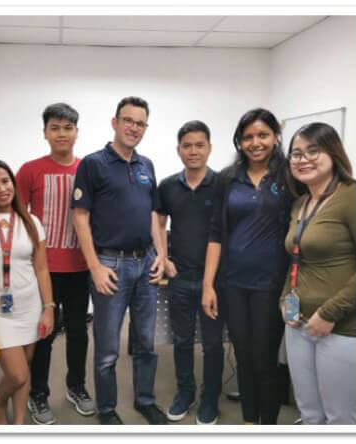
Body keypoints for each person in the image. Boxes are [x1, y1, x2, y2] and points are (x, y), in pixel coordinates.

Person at [72, 96, 166, 425]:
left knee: (145, 343)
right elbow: (80, 217)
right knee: (108, 348)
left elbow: (153, 215)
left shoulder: (146, 165)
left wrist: (161, 255)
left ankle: (145, 400)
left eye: (140, 123)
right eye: (128, 121)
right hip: (110, 265)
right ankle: (107, 408)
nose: (134, 128)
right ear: (115, 123)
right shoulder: (93, 164)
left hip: (146, 264)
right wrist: (95, 267)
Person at [201, 108, 293, 425]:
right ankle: (250, 421)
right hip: (233, 284)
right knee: (242, 354)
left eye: (263, 135)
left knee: (265, 357)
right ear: (239, 141)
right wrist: (208, 285)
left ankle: (268, 424)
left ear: (276, 137)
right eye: (248, 137)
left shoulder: (289, 176)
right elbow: (215, 234)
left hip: (271, 284)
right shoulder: (227, 178)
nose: (255, 142)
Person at [16, 103, 94, 425]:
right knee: (44, 333)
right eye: (55, 128)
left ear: (77, 132)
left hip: (80, 267)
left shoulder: (88, 169)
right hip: (43, 270)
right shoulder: (29, 170)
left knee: (78, 332)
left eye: (68, 128)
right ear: (45, 133)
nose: (62, 134)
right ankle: (38, 393)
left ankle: (77, 387)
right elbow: (18, 217)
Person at [280, 122, 356, 424]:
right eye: (297, 153)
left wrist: (329, 312)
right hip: (299, 323)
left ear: (333, 153)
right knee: (310, 413)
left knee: (341, 419)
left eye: (313, 151)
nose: (304, 159)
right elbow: (296, 260)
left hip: (341, 326)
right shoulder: (300, 204)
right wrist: (285, 301)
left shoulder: (353, 196)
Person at [0, 159, 55, 425]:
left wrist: (48, 308)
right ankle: (0, 400)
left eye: (5, 181)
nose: (1, 189)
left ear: (14, 183)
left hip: (29, 306)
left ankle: (18, 424)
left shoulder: (31, 221)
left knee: (26, 366)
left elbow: (41, 268)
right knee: (17, 373)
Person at [154, 120, 224, 425]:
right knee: (182, 340)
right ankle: (186, 392)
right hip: (180, 278)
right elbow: (158, 221)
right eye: (187, 146)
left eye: (199, 145)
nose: (193, 151)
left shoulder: (223, 184)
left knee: (212, 344)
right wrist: (163, 256)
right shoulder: (168, 186)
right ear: (178, 150)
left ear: (209, 148)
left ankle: (210, 398)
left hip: (214, 280)